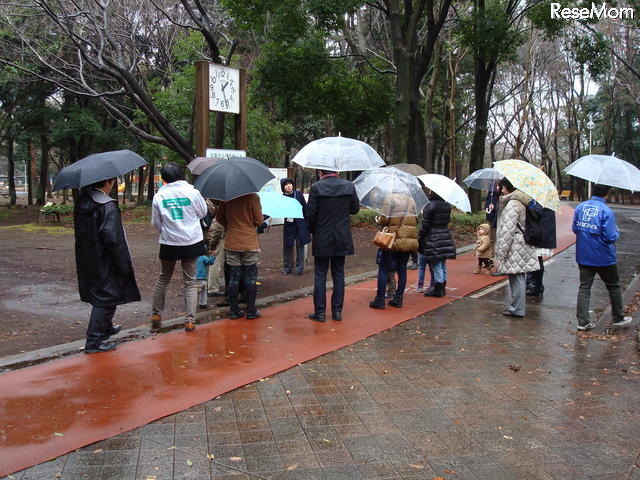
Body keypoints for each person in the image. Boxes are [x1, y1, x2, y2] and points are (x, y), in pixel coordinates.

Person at [74, 177, 140, 353]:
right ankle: (94, 341)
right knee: (106, 299)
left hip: (88, 257)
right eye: (112, 182)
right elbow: (113, 238)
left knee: (103, 295)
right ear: (107, 183)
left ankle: (104, 329)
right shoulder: (106, 205)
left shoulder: (83, 202)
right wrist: (123, 264)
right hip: (106, 259)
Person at [150, 162, 207, 332]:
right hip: (191, 241)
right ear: (181, 175)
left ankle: (155, 314)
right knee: (190, 282)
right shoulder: (193, 192)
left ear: (164, 178)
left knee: (163, 278)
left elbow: (156, 222)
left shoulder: (159, 196)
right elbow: (203, 213)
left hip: (169, 242)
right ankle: (190, 320)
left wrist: (168, 231)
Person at [572, 183, 632, 331]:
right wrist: (616, 231)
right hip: (603, 257)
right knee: (613, 286)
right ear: (607, 193)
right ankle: (618, 317)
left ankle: (582, 321)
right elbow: (611, 236)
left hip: (584, 254)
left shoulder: (580, 207)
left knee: (584, 287)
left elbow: (575, 229)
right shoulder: (606, 211)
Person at [307, 169, 360, 321]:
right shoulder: (349, 186)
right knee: (338, 274)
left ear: (320, 171)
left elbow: (311, 214)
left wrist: (312, 231)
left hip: (322, 237)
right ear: (336, 171)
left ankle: (320, 312)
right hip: (342, 236)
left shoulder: (316, 188)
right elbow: (355, 209)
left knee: (320, 275)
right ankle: (337, 311)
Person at [494, 178, 539, 318]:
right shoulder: (522, 201)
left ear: (508, 187)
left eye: (502, 187)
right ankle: (516, 307)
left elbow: (508, 230)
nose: (501, 189)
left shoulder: (513, 203)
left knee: (517, 277)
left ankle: (517, 308)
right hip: (520, 244)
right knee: (517, 276)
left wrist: (501, 252)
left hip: (515, 245)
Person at [216, 192, 264, 319]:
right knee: (250, 278)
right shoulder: (253, 197)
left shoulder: (227, 198)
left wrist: (230, 226)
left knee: (233, 277)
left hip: (232, 242)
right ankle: (251, 311)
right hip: (249, 242)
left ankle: (234, 310)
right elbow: (259, 220)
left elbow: (219, 218)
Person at [369, 195, 418, 309]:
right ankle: (398, 298)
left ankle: (380, 300)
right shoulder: (412, 200)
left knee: (383, 269)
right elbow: (415, 219)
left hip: (393, 239)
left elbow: (384, 219)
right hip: (408, 240)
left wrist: (378, 219)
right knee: (402, 269)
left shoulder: (390, 198)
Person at [418, 191, 456, 298]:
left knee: (436, 264)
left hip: (433, 237)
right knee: (442, 263)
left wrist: (420, 236)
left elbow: (425, 224)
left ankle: (438, 289)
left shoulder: (430, 205)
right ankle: (442, 286)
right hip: (444, 235)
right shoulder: (447, 205)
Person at [525, 200, 556, 296]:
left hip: (539, 234)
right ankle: (536, 284)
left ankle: (534, 284)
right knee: (537, 259)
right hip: (542, 233)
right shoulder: (547, 199)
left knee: (535, 260)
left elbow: (537, 212)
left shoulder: (542, 200)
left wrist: (528, 204)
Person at [280, 178, 310, 275]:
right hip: (289, 225)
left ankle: (299, 268)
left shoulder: (298, 194)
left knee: (300, 246)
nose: (289, 186)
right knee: (287, 246)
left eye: (290, 184)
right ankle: (287, 267)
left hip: (300, 224)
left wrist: (307, 223)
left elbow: (305, 209)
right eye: (286, 185)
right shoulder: (282, 197)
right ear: (283, 187)